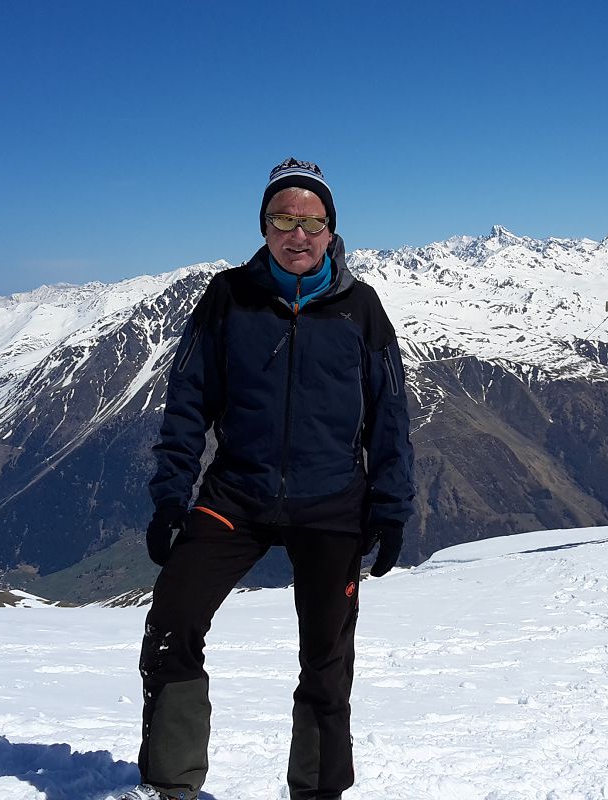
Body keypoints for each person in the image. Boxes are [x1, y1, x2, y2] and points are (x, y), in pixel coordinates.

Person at [116, 158, 415, 800]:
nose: (297, 235)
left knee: (327, 659)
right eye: (283, 220)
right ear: (263, 227)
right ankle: (170, 785)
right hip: (237, 496)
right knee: (171, 620)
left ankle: (317, 791)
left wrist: (391, 507)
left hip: (331, 504)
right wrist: (170, 498)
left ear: (332, 230)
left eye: (311, 222)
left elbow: (389, 416)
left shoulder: (361, 309)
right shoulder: (228, 298)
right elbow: (187, 403)